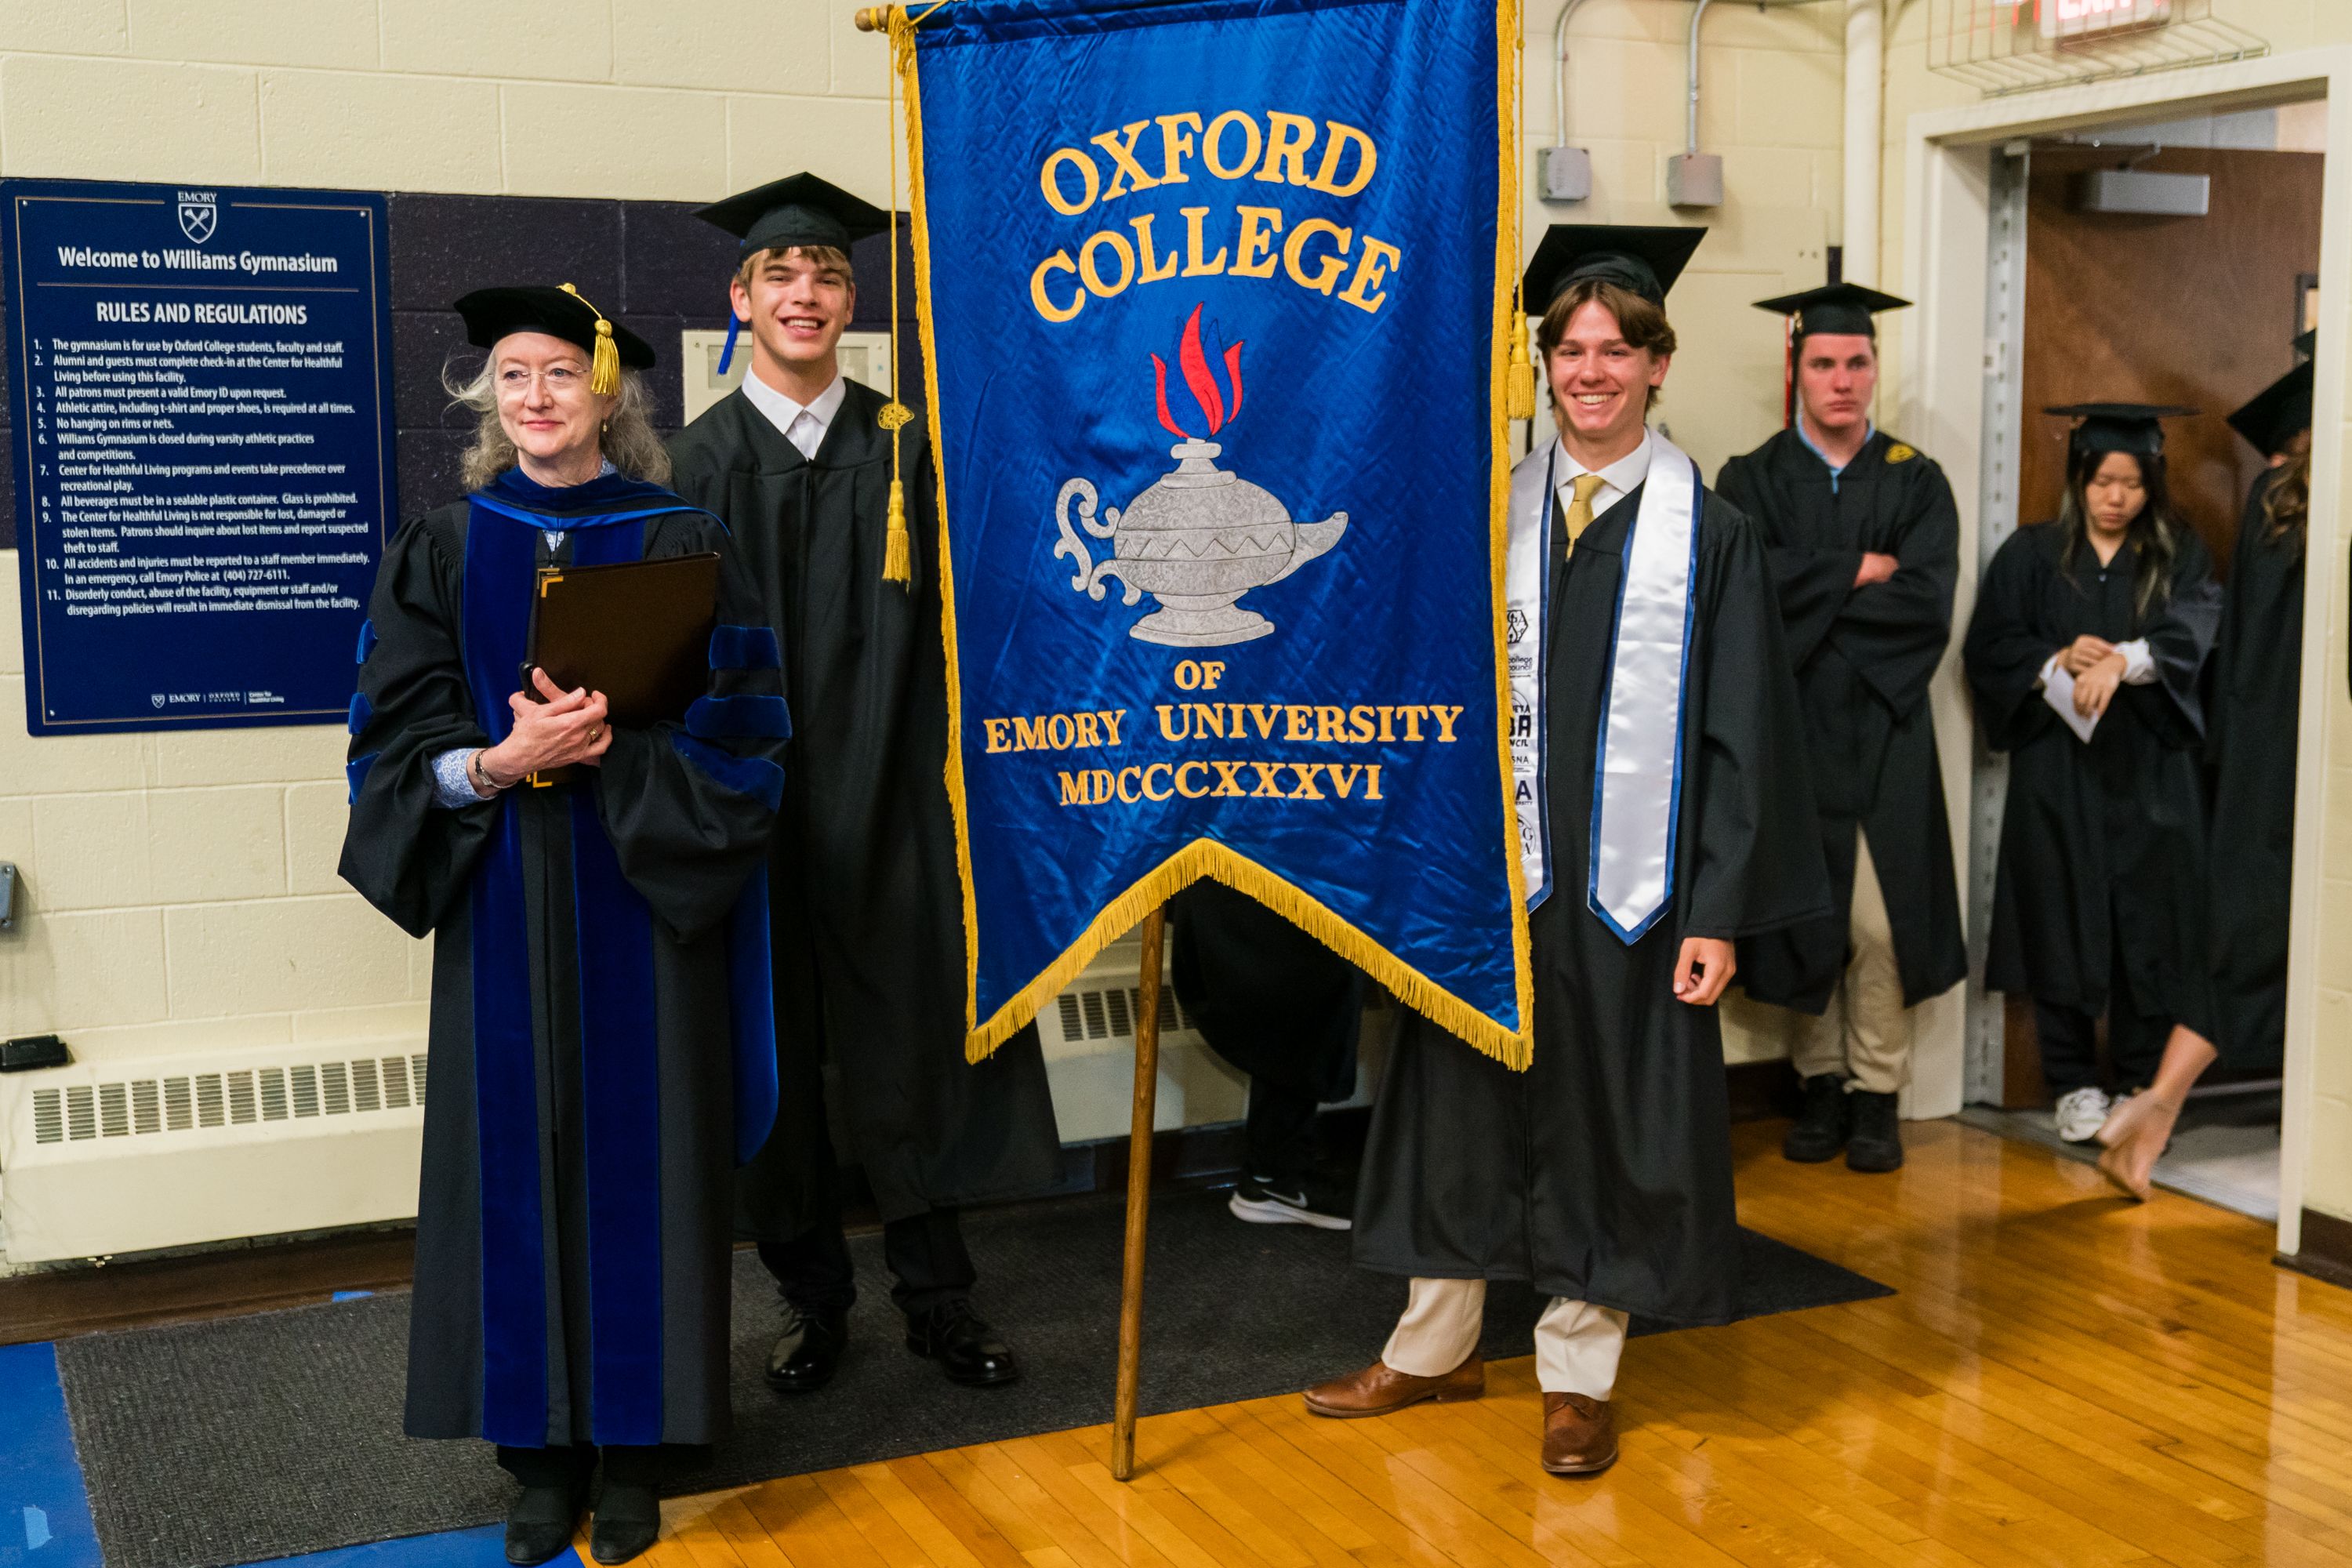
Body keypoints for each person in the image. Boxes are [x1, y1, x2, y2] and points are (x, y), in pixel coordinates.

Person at [1309, 227, 1828, 1477]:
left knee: (1607, 1116)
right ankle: (1435, 1345)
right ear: (1545, 367)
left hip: (1632, 898)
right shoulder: (1489, 514)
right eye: (1569, 351)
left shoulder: (1713, 534)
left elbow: (1743, 734)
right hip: (1490, 884)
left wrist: (1715, 910)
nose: (1589, 371)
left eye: (1615, 352)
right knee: (1457, 1109)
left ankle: (1578, 1373)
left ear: (1659, 365)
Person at [341, 285, 789, 1566]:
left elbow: (750, 737)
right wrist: (497, 760)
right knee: (511, 1164)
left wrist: (611, 758)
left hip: (641, 906)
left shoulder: (680, 537)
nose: (536, 397)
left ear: (609, 394)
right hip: (498, 904)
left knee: (645, 1157)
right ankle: (538, 1460)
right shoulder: (443, 544)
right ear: (492, 400)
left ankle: (639, 1454)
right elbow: (389, 738)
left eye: (560, 374)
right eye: (513, 377)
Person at [668, 173, 1061, 1396]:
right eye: (781, 275)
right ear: (740, 298)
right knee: (777, 1061)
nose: (806, 293)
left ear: (854, 301)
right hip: (757, 821)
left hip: (897, 808)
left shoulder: (909, 451)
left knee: (912, 1049)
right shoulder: (693, 465)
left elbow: (978, 637)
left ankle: (941, 1302)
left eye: (828, 275)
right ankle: (813, 1301)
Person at [1715, 283, 1966, 1174]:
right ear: (1797, 369)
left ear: (1873, 367)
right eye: (1824, 362)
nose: (1843, 379)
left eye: (1857, 362)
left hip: (1886, 728)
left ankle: (1877, 1092)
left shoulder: (1914, 478)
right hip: (1788, 733)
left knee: (1883, 921)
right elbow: (1743, 593)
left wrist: (1812, 605)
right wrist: (1854, 569)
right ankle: (1819, 1081)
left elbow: (1925, 604)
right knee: (1805, 912)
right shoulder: (1751, 476)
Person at [1962, 405, 2222, 1149]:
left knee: (2152, 926)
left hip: (2151, 772)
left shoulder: (2177, 555)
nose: (2118, 498)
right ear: (2080, 479)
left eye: (2134, 484)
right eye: (2104, 481)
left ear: (2152, 486)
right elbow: (1991, 644)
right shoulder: (2033, 554)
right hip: (2059, 771)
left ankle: (2145, 1084)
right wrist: (2056, 661)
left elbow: (2198, 632)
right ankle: (2073, 1083)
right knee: (2057, 916)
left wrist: (2124, 659)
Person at [2099, 343, 2316, 1200]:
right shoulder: (2327, 509)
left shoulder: (2274, 501)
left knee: (2247, 940)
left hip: (2259, 750)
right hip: (2315, 754)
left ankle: (2157, 1101)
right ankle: (2155, 1104)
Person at [1168, 880, 1367, 1229]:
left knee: (1300, 993)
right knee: (1304, 988)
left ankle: (1274, 1174)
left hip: (1222, 873)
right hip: (1255, 879)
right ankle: (1275, 1178)